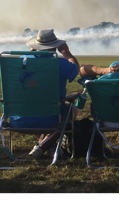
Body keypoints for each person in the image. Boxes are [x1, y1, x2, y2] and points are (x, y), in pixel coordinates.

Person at [17, 29, 80, 159]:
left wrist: (32, 51)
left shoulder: (20, 62)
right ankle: (41, 149)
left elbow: (25, 59)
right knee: (71, 111)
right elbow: (75, 68)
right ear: (55, 46)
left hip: (19, 118)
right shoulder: (60, 63)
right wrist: (66, 52)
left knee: (34, 110)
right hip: (50, 118)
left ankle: (50, 146)